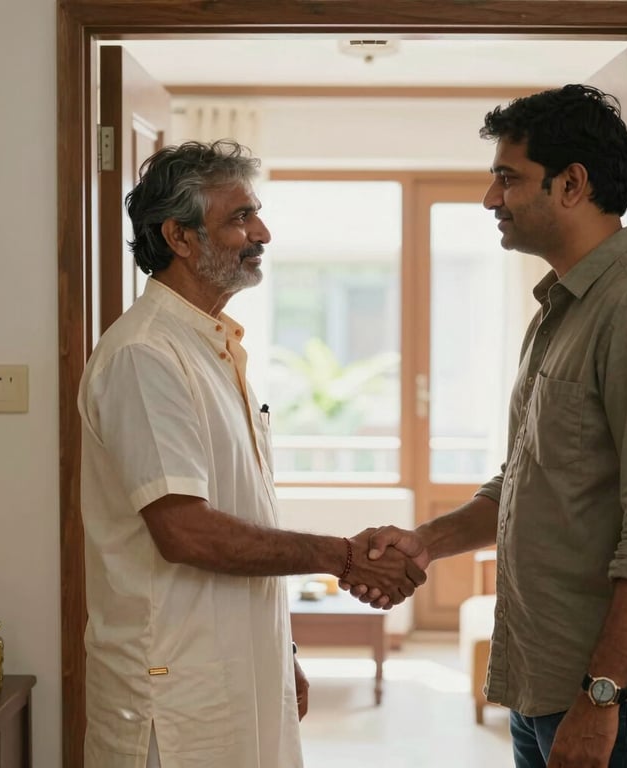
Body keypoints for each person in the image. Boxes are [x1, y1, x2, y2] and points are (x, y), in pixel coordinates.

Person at [349, 85, 627, 768]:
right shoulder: (562, 310)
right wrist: (424, 542)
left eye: (508, 178)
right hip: (542, 685)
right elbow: (528, 481)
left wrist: (600, 698)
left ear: (571, 184)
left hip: (611, 702)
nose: (491, 198)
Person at [77, 139, 425, 768]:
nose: (261, 232)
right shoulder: (146, 355)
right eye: (239, 218)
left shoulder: (216, 348)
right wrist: (340, 556)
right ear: (179, 238)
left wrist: (282, 649)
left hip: (237, 674)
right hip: (176, 699)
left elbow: (246, 510)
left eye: (255, 213)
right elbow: (186, 532)